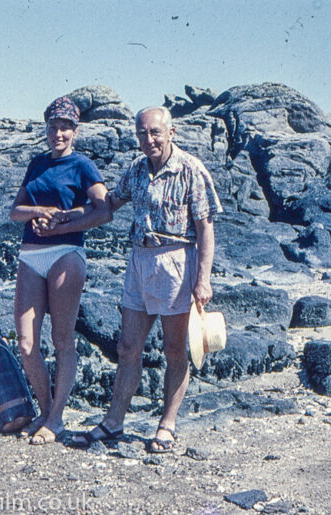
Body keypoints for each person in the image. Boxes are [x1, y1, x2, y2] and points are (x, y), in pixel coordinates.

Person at [72, 106, 222, 453]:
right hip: (139, 261)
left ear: (171, 132)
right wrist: (65, 219)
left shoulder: (190, 169)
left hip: (175, 262)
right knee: (128, 348)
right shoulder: (137, 170)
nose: (148, 139)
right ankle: (113, 423)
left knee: (173, 350)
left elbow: (205, 228)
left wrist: (203, 279)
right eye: (142, 133)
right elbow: (109, 205)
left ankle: (166, 425)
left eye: (155, 132)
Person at [9, 97, 109, 445]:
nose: (58, 133)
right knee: (25, 342)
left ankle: (56, 418)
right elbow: (14, 211)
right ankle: (47, 410)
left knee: (62, 339)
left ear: (75, 131)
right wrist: (41, 210)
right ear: (47, 129)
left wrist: (64, 223)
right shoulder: (37, 164)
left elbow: (104, 209)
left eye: (65, 127)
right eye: (53, 127)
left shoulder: (83, 165)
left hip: (67, 253)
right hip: (30, 254)